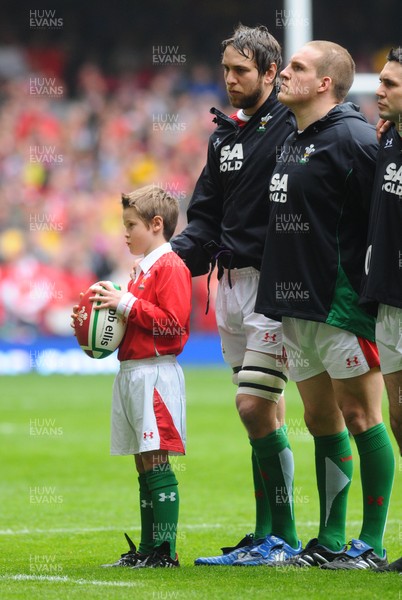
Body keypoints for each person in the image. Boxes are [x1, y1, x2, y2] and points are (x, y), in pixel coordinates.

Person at [255, 40, 395, 570]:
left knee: (361, 415)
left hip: (340, 305)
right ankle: (331, 539)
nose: (284, 73)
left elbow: (380, 216)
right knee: (319, 420)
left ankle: (372, 542)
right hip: (295, 307)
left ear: (324, 84)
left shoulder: (356, 138)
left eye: (296, 68)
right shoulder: (290, 137)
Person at [172, 24, 301, 566]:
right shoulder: (223, 135)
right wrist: (163, 264)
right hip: (228, 287)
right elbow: (203, 220)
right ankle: (267, 532)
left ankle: (286, 535)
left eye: (241, 70)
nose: (229, 79)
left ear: (270, 73)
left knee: (253, 406)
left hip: (274, 286)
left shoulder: (293, 129)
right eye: (225, 69)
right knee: (262, 413)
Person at [72, 185, 192, 568]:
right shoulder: (143, 270)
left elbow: (174, 327)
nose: (124, 233)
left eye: (131, 225)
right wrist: (100, 315)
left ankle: (165, 552)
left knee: (156, 459)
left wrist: (124, 302)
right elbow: (131, 320)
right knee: (142, 461)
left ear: (157, 224)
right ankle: (146, 549)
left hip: (155, 374)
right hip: (132, 371)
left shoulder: (170, 266)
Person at [360, 47, 402, 573]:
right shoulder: (387, 137)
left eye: (391, 83)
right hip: (389, 301)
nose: (380, 90)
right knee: (398, 417)